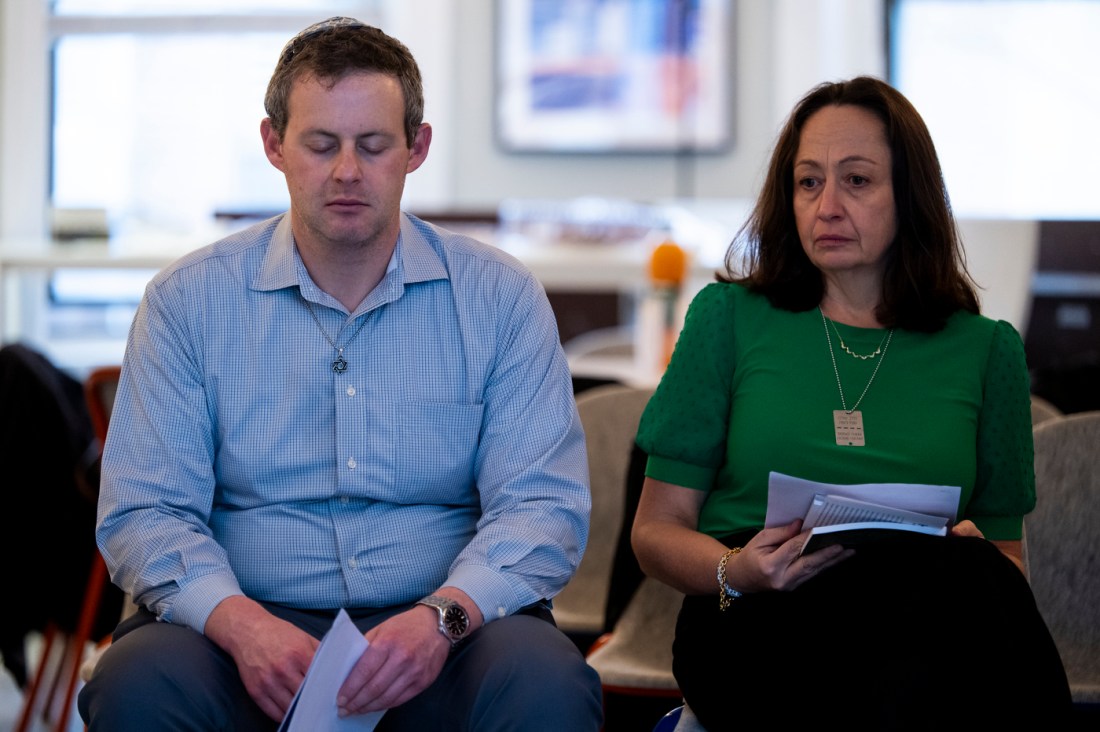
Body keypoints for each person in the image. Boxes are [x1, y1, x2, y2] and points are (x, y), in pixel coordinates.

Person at [77, 17, 603, 732]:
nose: (347, 171)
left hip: (444, 629)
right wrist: (239, 625)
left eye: (373, 145)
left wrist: (443, 619)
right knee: (137, 686)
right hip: (241, 632)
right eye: (321, 144)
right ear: (274, 144)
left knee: (546, 684)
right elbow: (147, 511)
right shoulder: (187, 302)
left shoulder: (500, 298)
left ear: (416, 148)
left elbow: (542, 503)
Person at [630, 76, 1072, 729]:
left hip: (924, 612)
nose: (826, 206)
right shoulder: (728, 319)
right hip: (763, 612)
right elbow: (654, 532)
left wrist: (980, 549)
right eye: (809, 182)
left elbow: (1008, 569)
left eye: (857, 181)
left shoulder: (985, 351)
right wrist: (736, 569)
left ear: (910, 197)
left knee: (967, 613)